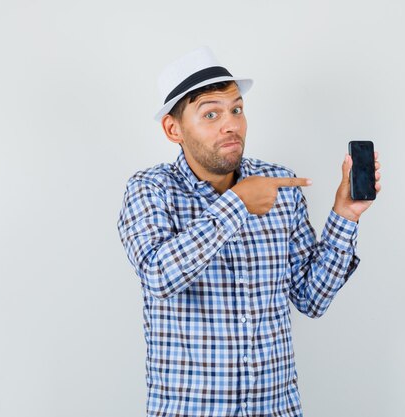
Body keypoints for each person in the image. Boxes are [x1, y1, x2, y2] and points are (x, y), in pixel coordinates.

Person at [117, 46, 381, 417]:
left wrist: (345, 215)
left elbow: (312, 298)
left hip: (276, 408)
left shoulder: (279, 184)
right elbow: (159, 276)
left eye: (237, 110)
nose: (232, 125)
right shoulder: (150, 189)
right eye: (211, 113)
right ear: (173, 129)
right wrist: (237, 203)